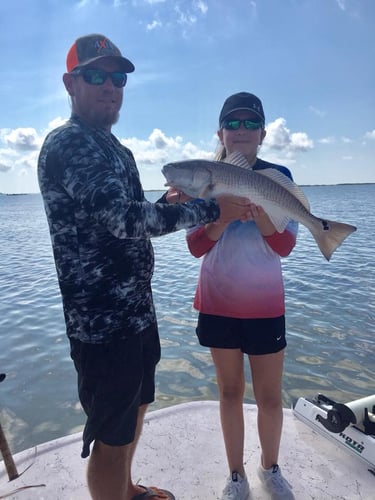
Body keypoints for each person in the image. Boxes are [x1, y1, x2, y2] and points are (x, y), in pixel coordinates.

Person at [37, 35, 252, 500]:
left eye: (118, 77)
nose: (110, 86)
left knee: (137, 408)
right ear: (70, 83)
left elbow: (134, 214)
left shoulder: (116, 150)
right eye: (96, 75)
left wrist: (169, 203)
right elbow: (124, 220)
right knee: (111, 438)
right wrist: (213, 210)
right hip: (101, 325)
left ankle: (128, 491)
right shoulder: (69, 145)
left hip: (137, 312)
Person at [185, 92, 298, 500]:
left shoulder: (278, 176)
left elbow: (284, 247)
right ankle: (236, 475)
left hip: (265, 306)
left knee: (269, 397)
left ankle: (270, 467)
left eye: (251, 123)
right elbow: (196, 247)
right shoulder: (203, 179)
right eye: (233, 123)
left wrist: (264, 215)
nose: (242, 130)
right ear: (221, 132)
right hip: (218, 303)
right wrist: (223, 216)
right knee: (229, 393)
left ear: (263, 133)